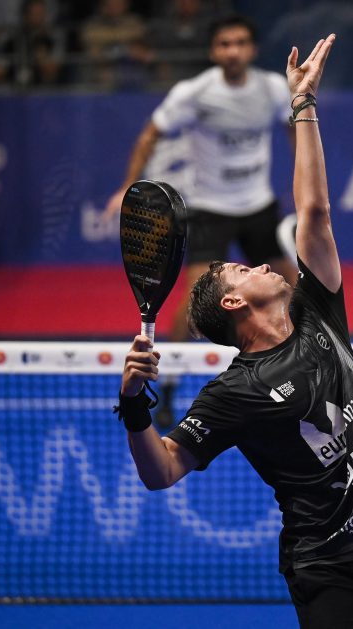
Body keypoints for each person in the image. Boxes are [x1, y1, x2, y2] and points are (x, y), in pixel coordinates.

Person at [115, 34, 353, 629]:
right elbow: (164, 472)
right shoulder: (233, 393)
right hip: (330, 572)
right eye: (244, 268)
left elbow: (314, 212)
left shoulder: (318, 310)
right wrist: (133, 408)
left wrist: (303, 105)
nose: (261, 264)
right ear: (234, 300)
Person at [105, 13, 299, 425]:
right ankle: (170, 380)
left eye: (241, 42)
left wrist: (305, 176)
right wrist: (128, 183)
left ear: (252, 49)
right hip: (210, 208)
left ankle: (300, 367)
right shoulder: (194, 93)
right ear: (214, 51)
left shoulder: (272, 89)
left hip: (259, 206)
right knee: (194, 301)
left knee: (294, 288)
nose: (233, 50)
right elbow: (150, 133)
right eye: (225, 43)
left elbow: (293, 129)